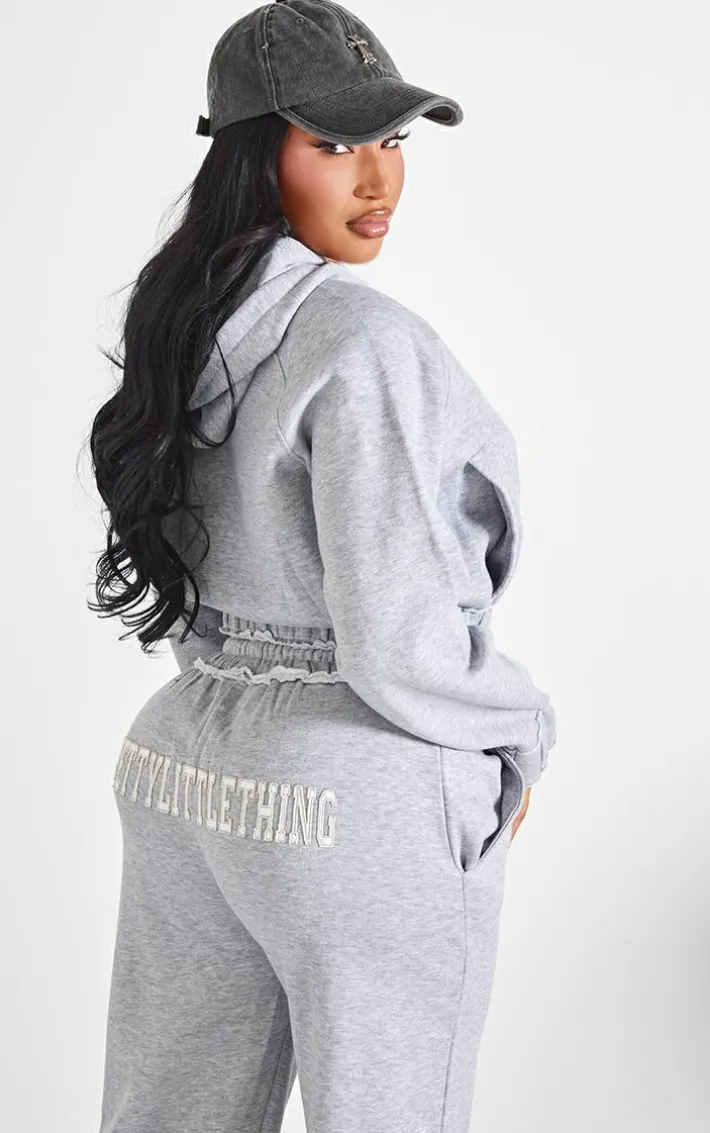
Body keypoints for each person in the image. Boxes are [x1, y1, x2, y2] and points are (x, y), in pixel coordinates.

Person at [89, 2, 557, 1130]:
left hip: (182, 762)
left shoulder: (178, 322)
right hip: (354, 781)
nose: (377, 178)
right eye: (336, 144)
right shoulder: (363, 341)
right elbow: (398, 634)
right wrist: (516, 731)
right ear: (256, 157)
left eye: (391, 140)